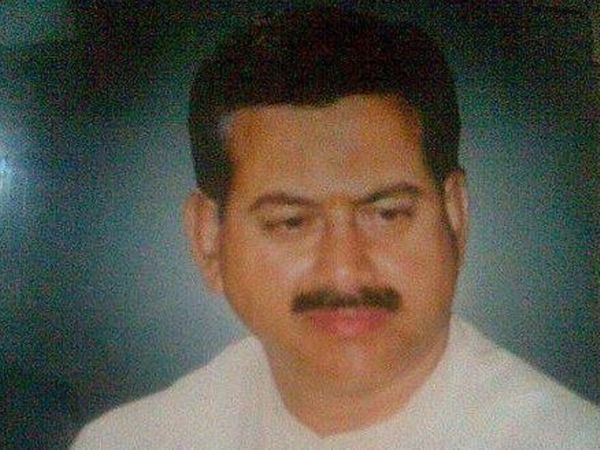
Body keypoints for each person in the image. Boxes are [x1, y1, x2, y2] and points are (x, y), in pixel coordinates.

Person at [72, 7, 599, 449]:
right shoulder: (133, 441)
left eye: (387, 214)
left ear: (455, 215)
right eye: (290, 222)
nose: (345, 270)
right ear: (208, 239)